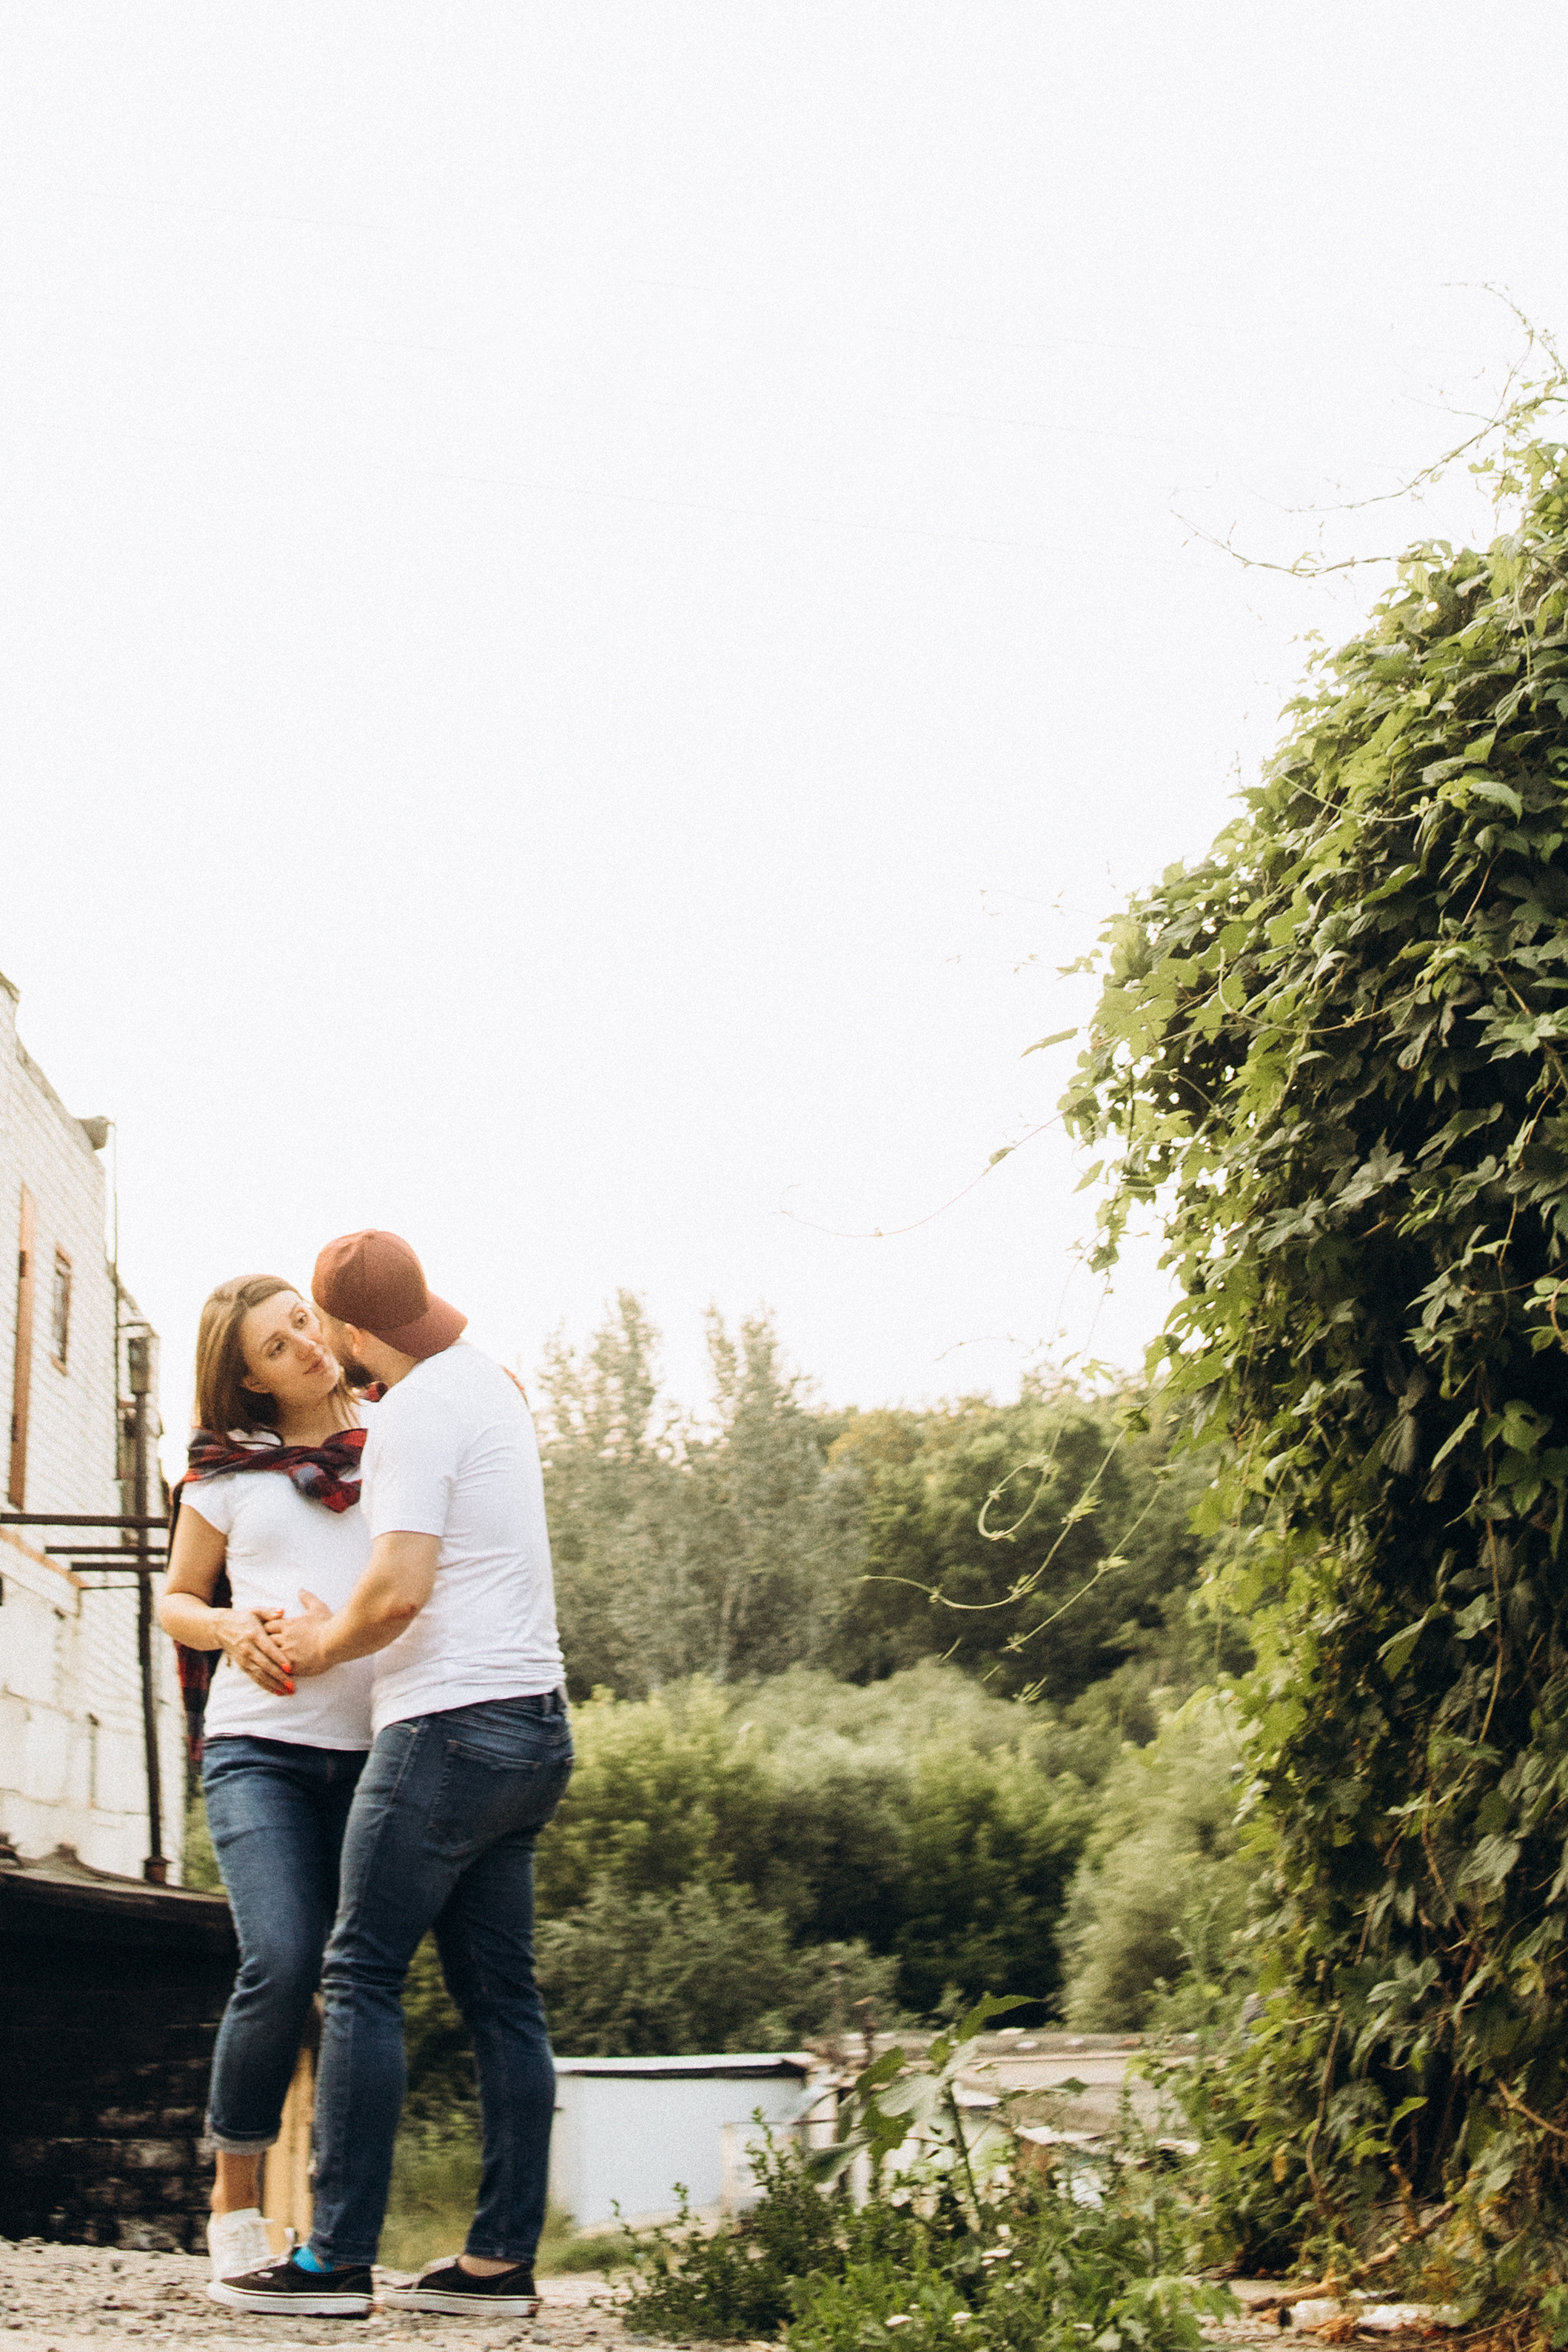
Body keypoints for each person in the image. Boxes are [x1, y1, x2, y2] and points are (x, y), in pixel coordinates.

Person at [210, 1230, 572, 2322]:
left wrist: (318, 1646)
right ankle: (499, 2264)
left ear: (350, 1330)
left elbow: (400, 1591)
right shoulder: (488, 1382)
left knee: (361, 1971)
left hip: (447, 1730)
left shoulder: (408, 1416)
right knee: (503, 1995)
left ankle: (334, 2260)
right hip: (535, 1724)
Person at [157, 1276, 378, 2287]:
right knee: (281, 1960)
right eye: (277, 1345)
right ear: (250, 1378)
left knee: (360, 1983)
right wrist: (227, 1624)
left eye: (302, 1320)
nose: (305, 1343)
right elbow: (177, 1600)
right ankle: (234, 2198)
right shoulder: (228, 1474)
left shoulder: (396, 1436)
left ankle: (338, 2229)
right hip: (261, 1747)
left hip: (380, 1749)